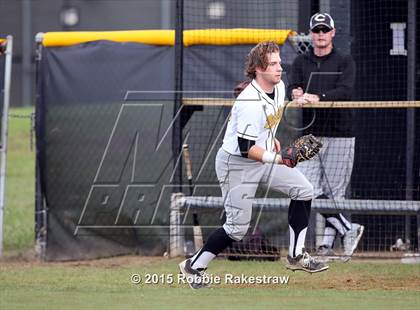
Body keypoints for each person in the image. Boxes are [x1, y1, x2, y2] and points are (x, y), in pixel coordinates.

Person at [178, 41, 328, 290]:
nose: (280, 67)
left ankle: (295, 255)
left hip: (265, 156)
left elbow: (267, 126)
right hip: (236, 164)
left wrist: (273, 141)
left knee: (304, 190)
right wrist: (279, 158)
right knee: (237, 229)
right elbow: (247, 148)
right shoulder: (249, 100)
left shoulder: (279, 87)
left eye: (279, 62)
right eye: (273, 64)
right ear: (259, 68)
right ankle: (193, 266)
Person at [287, 13, 364, 259]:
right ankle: (348, 229)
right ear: (311, 34)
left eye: (324, 30)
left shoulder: (344, 60)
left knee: (335, 193)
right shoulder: (300, 61)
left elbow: (346, 90)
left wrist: (317, 97)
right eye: (316, 30)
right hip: (311, 134)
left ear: (332, 33)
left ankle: (326, 246)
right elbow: (292, 87)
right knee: (305, 186)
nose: (320, 34)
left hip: (341, 133)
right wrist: (295, 93)